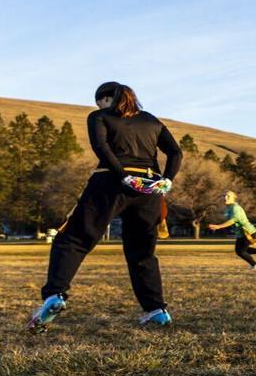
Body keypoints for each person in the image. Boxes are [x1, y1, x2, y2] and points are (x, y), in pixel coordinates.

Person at [29, 82, 182, 332]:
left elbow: (102, 147)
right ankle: (156, 310)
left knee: (73, 239)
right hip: (150, 188)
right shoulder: (151, 120)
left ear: (106, 99)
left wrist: (122, 175)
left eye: (99, 100)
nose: (98, 105)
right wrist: (167, 180)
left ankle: (55, 295)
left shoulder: (99, 116)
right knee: (142, 252)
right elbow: (175, 152)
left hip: (110, 182)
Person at [206, 190, 256, 269]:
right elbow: (228, 220)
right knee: (241, 250)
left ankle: (255, 265)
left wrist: (219, 226)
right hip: (241, 233)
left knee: (240, 251)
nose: (225, 198)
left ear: (233, 198)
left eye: (228, 196)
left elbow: (233, 220)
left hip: (247, 231)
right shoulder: (228, 208)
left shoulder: (236, 208)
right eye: (224, 196)